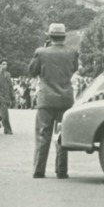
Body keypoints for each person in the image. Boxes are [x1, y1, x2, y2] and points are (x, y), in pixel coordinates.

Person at [29, 23, 78, 179]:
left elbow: (32, 71)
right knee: (62, 135)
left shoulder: (41, 53)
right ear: (64, 37)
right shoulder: (72, 52)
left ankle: (39, 170)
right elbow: (73, 69)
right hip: (65, 99)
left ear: (49, 37)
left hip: (46, 98)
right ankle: (61, 170)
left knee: (43, 135)